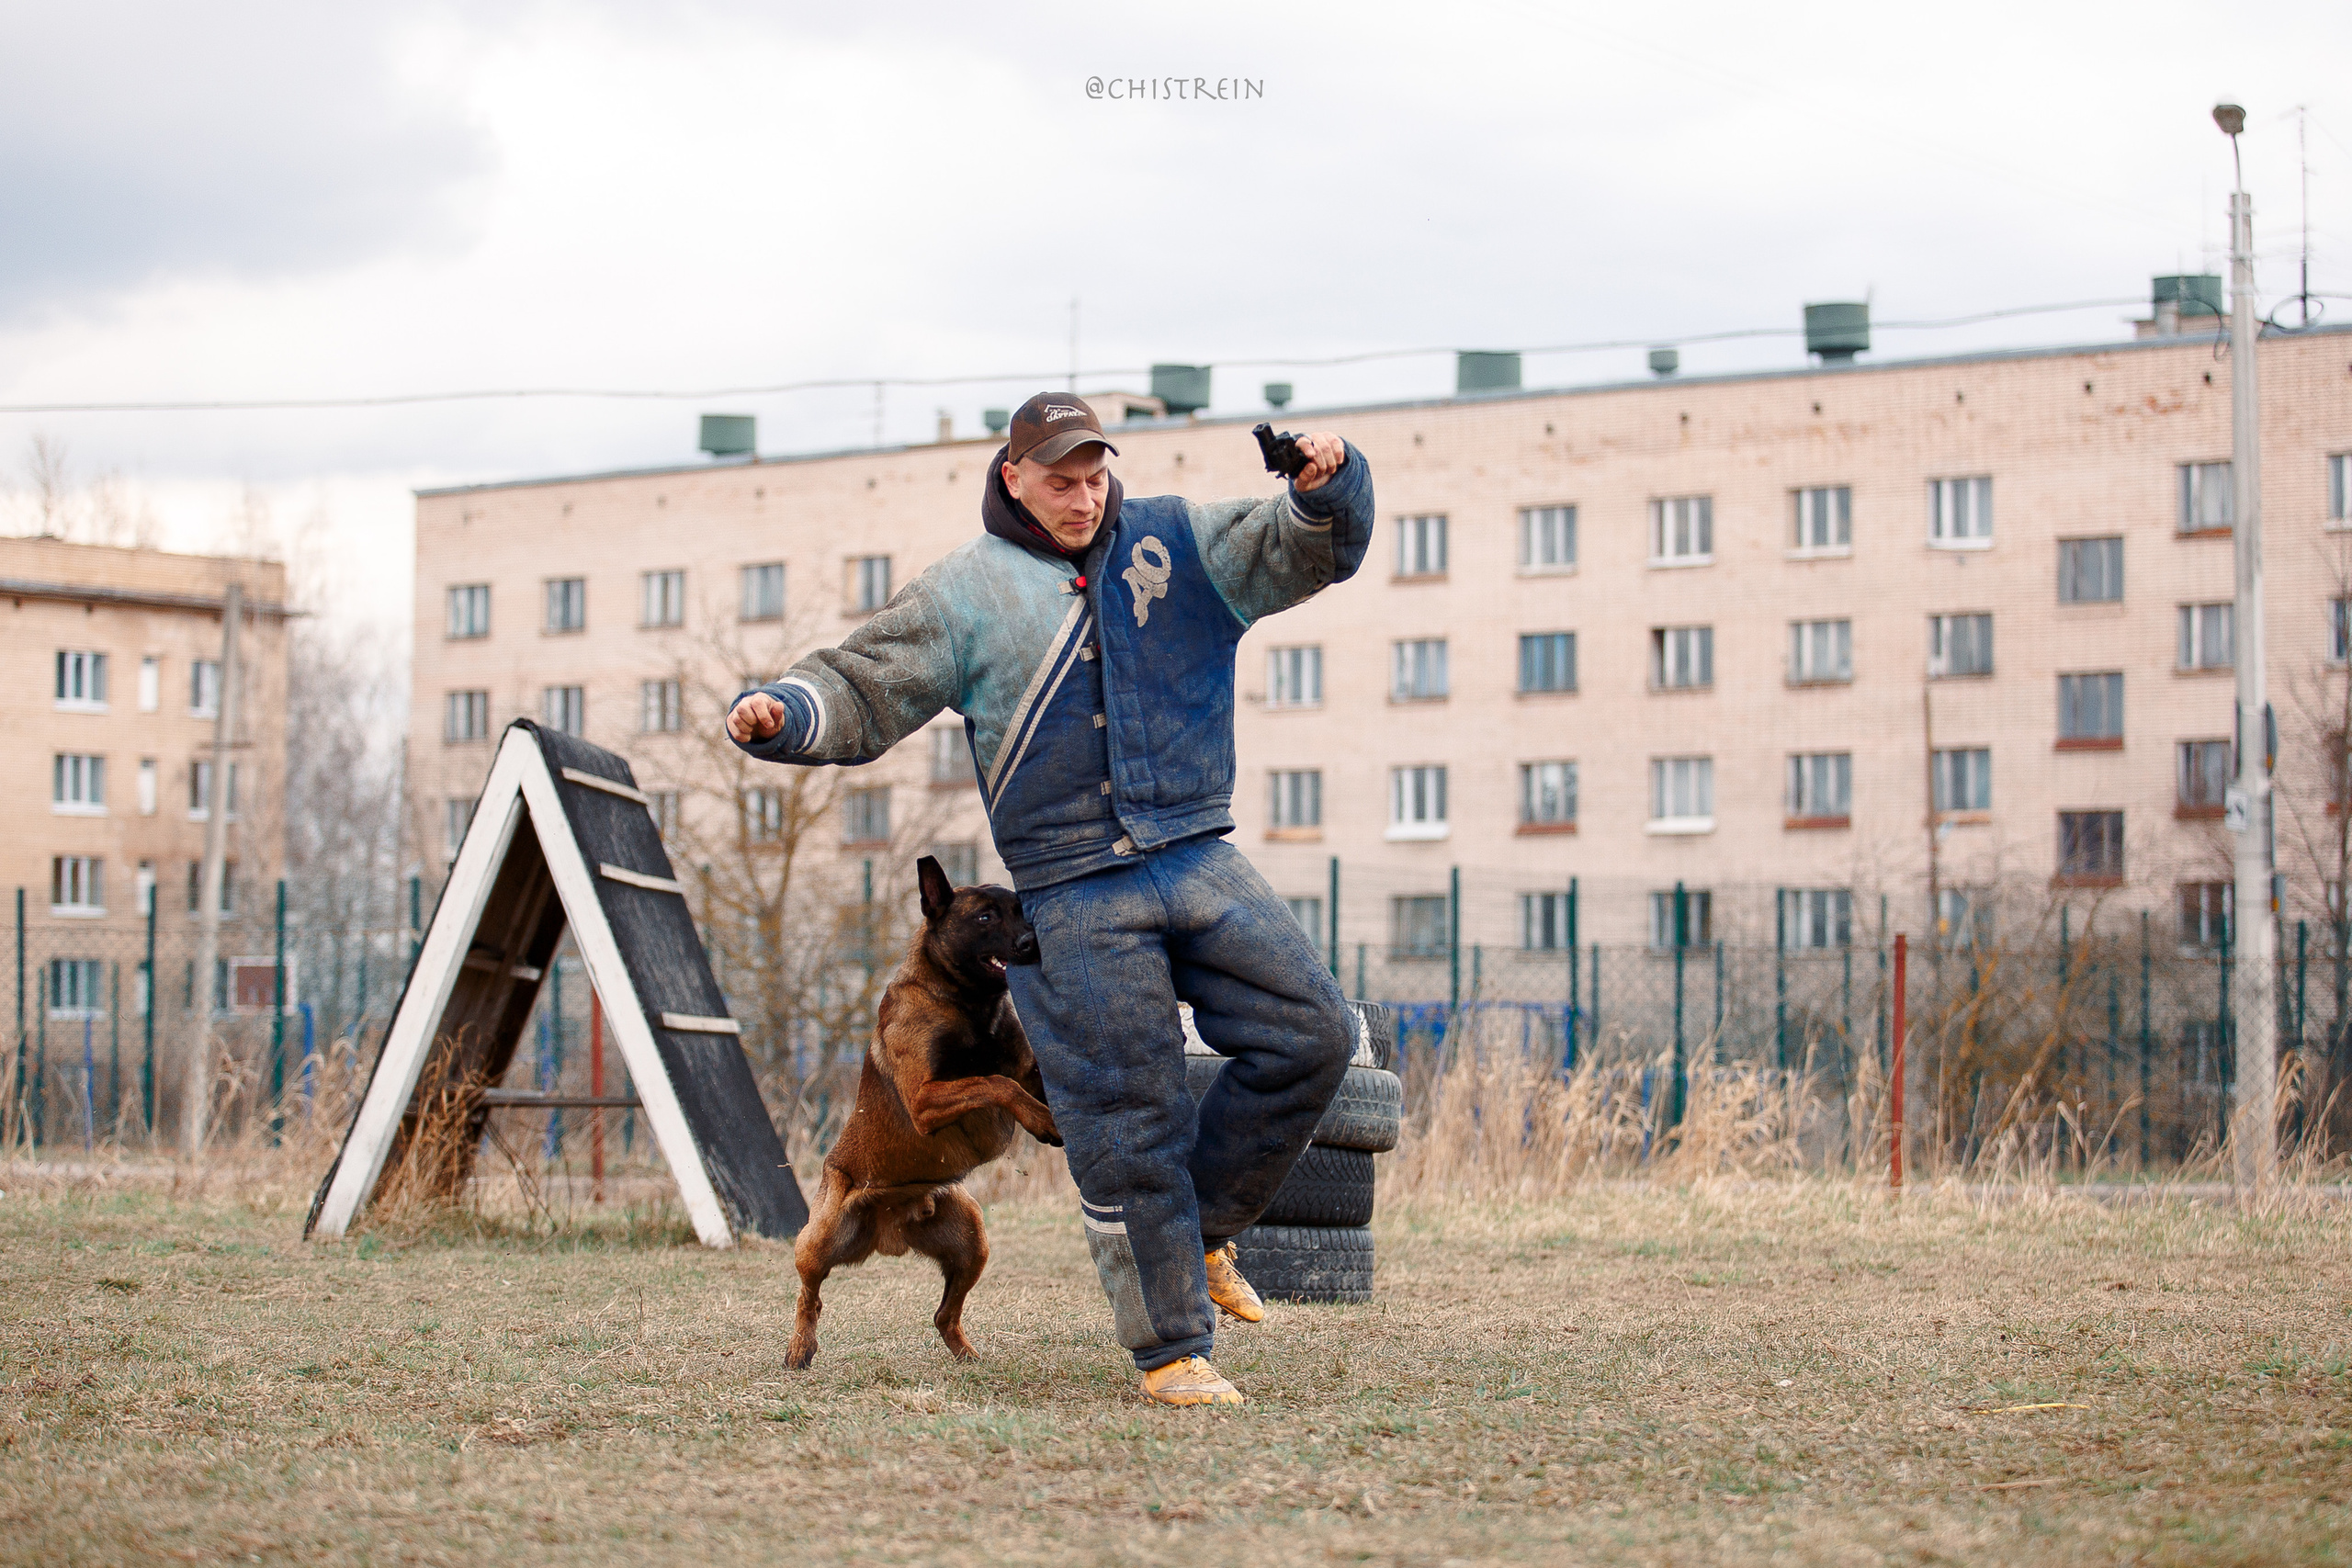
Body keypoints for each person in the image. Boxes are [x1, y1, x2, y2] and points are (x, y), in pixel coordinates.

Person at [727, 391, 1374, 1404]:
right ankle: (1171, 1353)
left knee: (1313, 1034)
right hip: (1070, 883)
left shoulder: (1176, 540)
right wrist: (784, 712)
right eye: (1061, 480)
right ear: (1014, 477)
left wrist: (1328, 484)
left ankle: (1201, 1231)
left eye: (1094, 476)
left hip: (1196, 848)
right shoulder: (967, 594)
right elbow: (860, 682)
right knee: (1128, 1111)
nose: (1083, 497)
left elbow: (1303, 549)